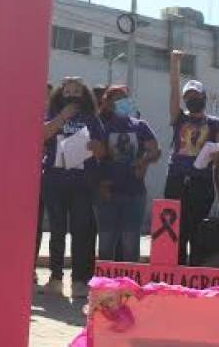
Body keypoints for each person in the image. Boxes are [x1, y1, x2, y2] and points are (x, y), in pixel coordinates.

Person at [41, 76, 106, 298]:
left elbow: (102, 152)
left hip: (83, 183)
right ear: (60, 93)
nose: (72, 93)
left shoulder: (92, 118)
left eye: (77, 90)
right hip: (55, 180)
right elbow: (42, 135)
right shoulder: (52, 114)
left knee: (81, 232)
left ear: (84, 94)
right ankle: (55, 278)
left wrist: (95, 146)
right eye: (68, 90)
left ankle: (79, 281)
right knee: (57, 231)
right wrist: (62, 117)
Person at [165, 51, 219, 265]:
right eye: (188, 97)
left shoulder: (216, 123)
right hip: (177, 180)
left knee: (197, 230)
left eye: (196, 96)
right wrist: (175, 65)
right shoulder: (179, 118)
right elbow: (173, 92)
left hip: (202, 182)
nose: (192, 100)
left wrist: (216, 155)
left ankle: (195, 272)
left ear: (204, 97)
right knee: (175, 230)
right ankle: (175, 273)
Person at [95, 86, 159, 262]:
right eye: (116, 98)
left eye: (124, 98)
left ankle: (129, 287)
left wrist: (144, 161)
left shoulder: (140, 126)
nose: (121, 102)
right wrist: (100, 183)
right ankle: (105, 285)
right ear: (107, 103)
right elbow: (95, 157)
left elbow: (155, 151)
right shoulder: (101, 127)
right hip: (108, 194)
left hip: (134, 193)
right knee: (106, 245)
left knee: (130, 245)